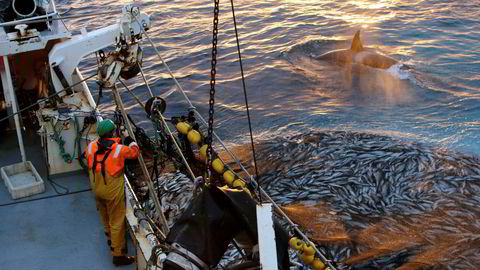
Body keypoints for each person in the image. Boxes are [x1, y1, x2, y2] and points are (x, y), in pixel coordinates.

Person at [85, 119, 139, 266]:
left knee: (105, 216)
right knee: (117, 221)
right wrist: (128, 138)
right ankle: (118, 255)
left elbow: (87, 156)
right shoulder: (119, 149)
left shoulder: (90, 146)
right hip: (112, 191)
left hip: (97, 189)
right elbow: (135, 153)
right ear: (112, 133)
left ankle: (110, 240)